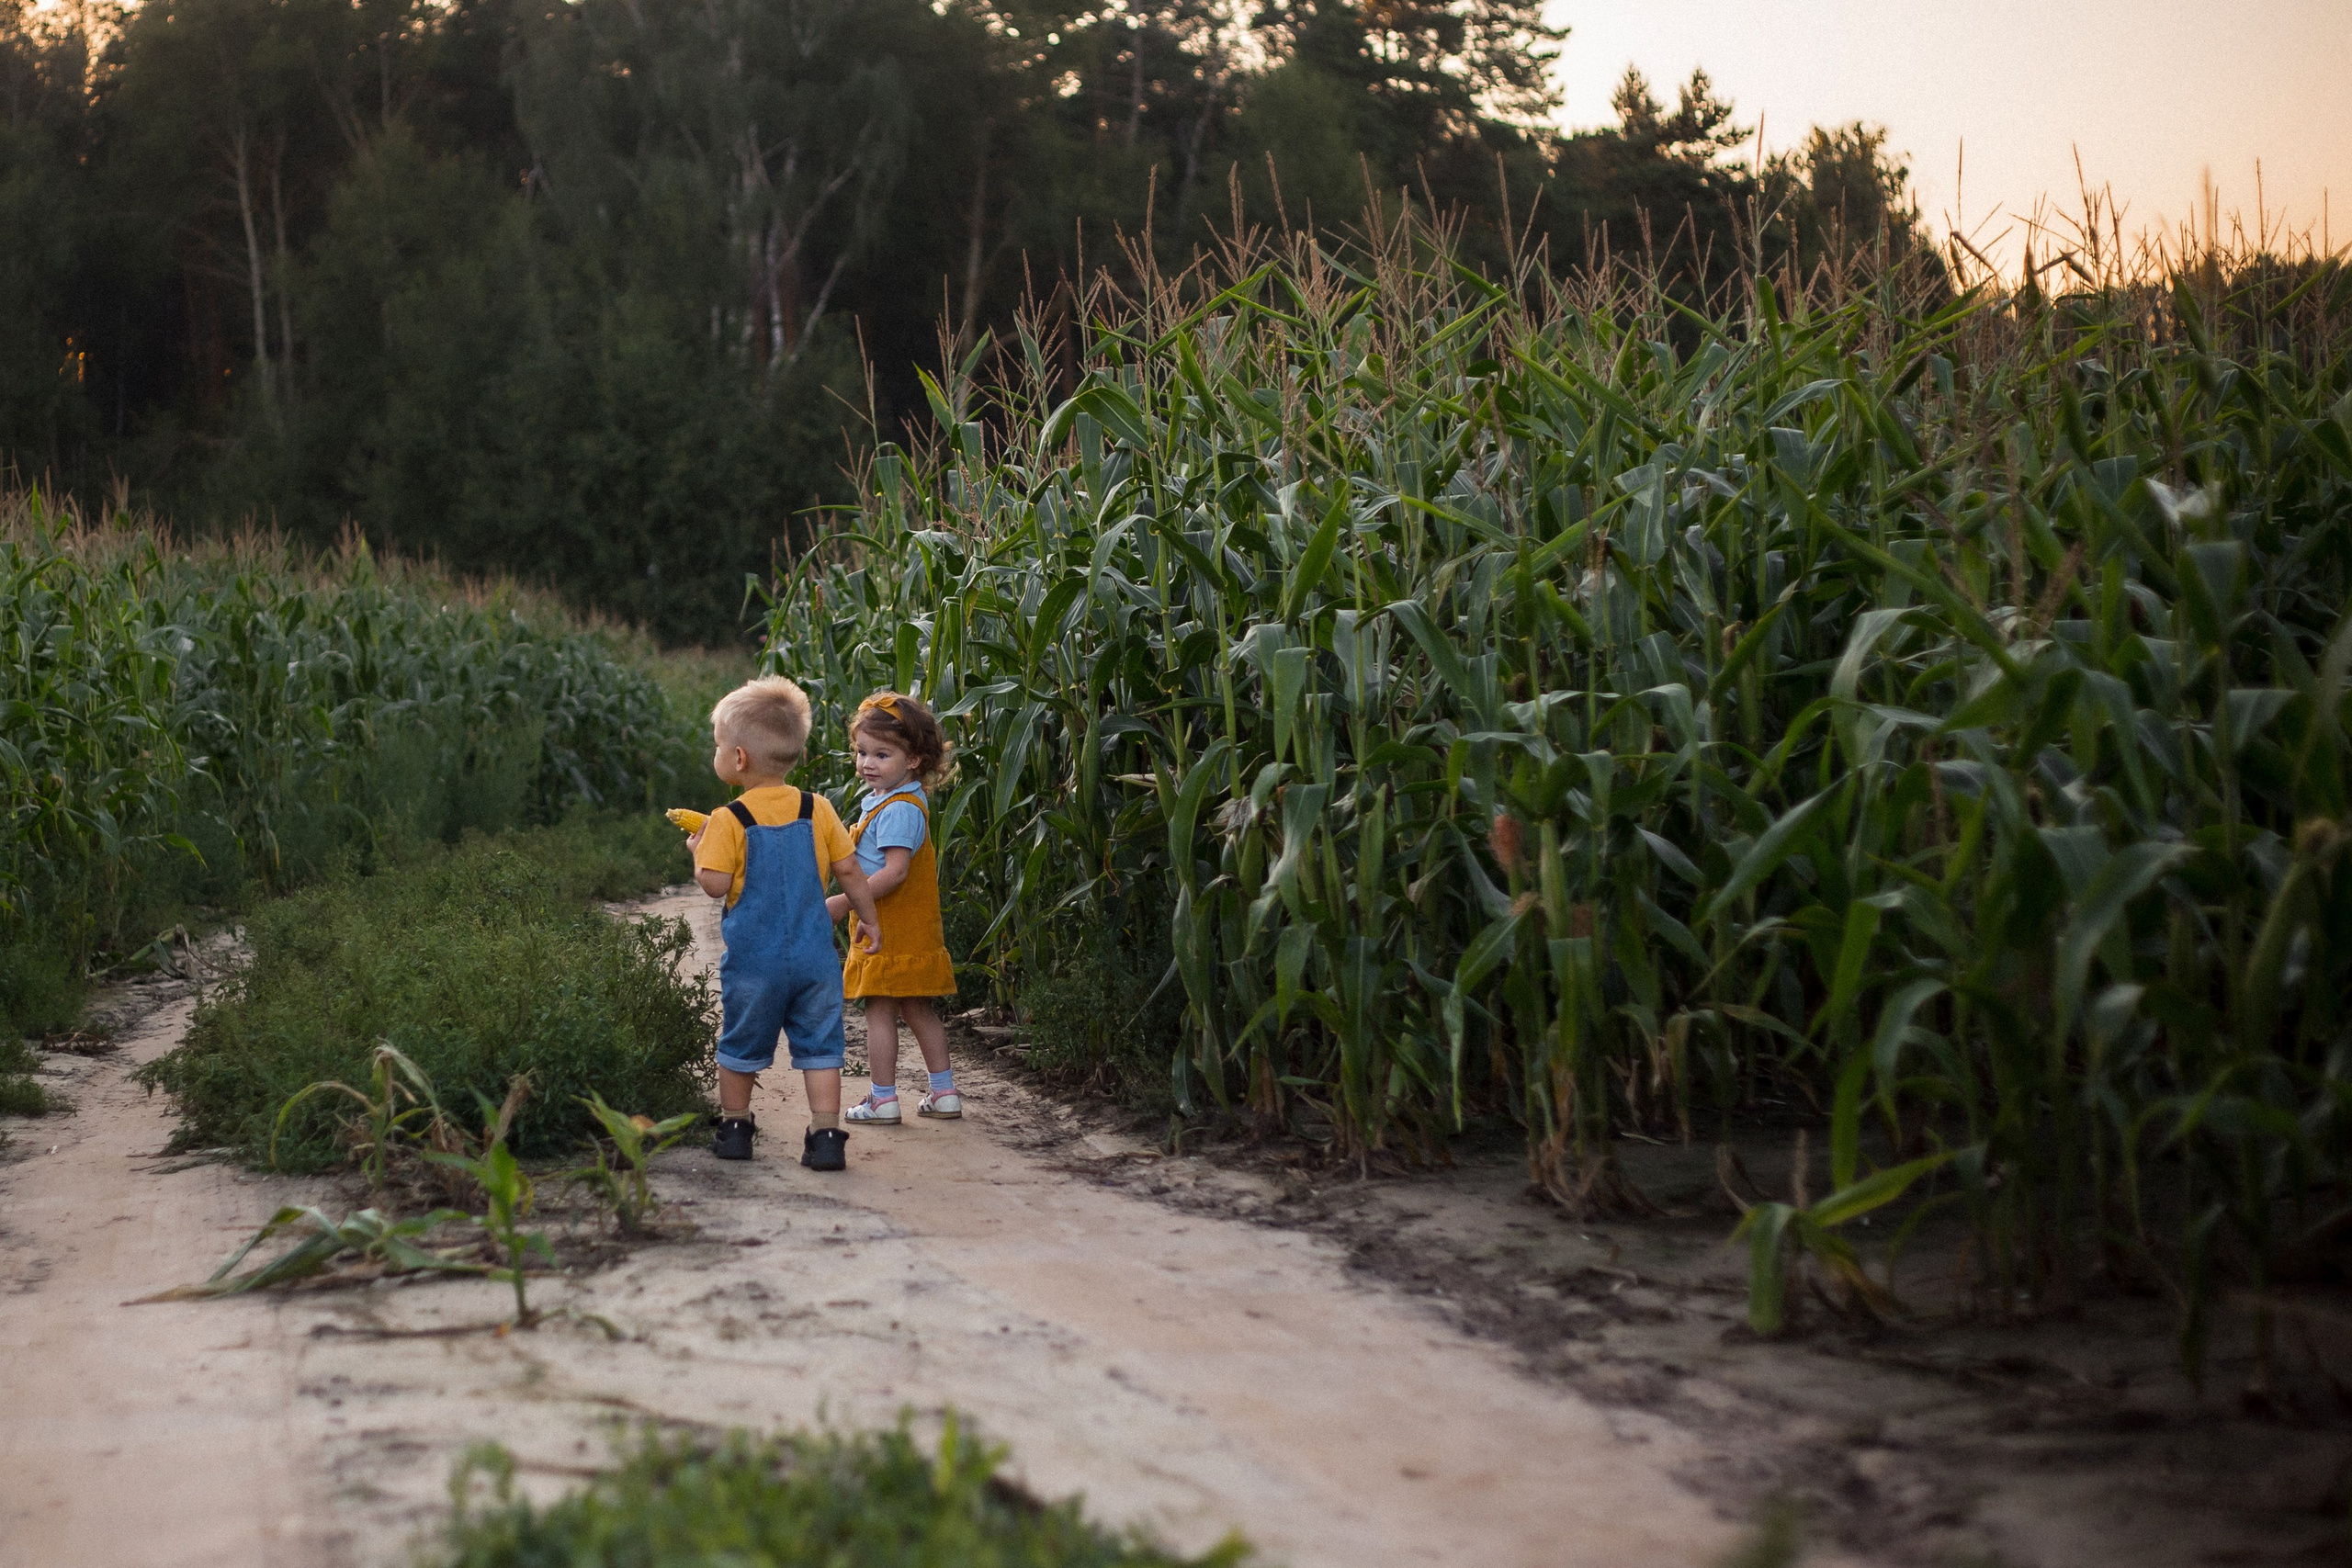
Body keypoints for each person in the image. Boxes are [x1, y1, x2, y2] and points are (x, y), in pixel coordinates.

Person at [686, 676, 882, 1171]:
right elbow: (850, 870)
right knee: (821, 1048)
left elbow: (714, 884)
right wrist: (869, 918)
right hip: (815, 959)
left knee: (742, 1043)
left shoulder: (729, 820)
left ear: (739, 759)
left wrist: (697, 853)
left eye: (717, 747)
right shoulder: (817, 809)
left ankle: (734, 1127)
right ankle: (826, 1134)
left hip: (755, 962)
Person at [827, 692, 961, 1124]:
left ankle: (883, 1098)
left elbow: (896, 872)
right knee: (916, 1008)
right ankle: (944, 1093)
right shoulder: (890, 801)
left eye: (882, 754)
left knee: (880, 1011)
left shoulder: (900, 809)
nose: (867, 762)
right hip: (903, 925)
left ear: (915, 759)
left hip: (893, 924)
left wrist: (844, 900)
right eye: (862, 752)